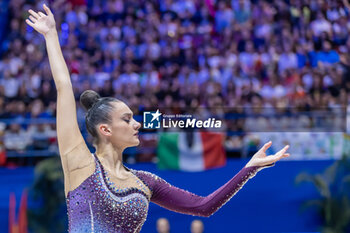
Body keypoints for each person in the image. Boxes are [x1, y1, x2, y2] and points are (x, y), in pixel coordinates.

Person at [25, 4, 291, 233]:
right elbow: (63, 87)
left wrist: (249, 169)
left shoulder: (145, 182)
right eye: (127, 119)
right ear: (105, 129)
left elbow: (203, 206)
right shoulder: (79, 163)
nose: (137, 123)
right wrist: (51, 35)